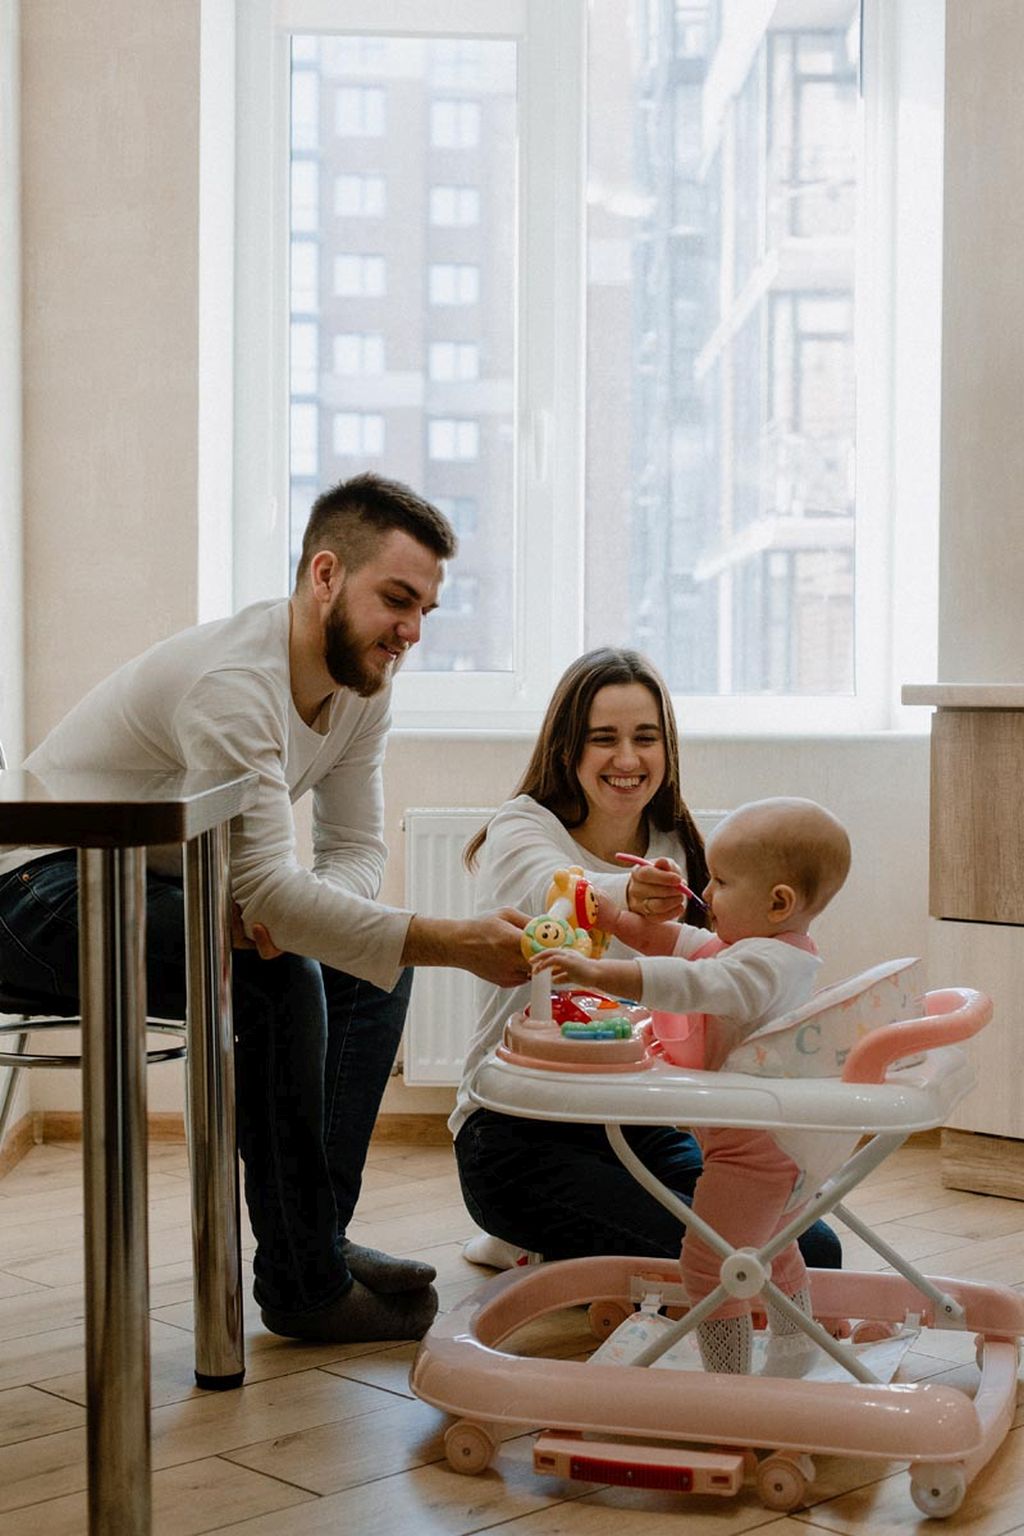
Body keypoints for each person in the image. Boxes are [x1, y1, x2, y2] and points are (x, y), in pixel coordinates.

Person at [0, 472, 528, 1344]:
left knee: (372, 977)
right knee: (281, 976)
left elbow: (354, 852)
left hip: (157, 886)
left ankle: (316, 1245)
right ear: (325, 575)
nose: (413, 631)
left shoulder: (362, 690)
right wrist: (445, 939)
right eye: (397, 599)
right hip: (36, 888)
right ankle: (305, 1285)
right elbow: (271, 895)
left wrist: (287, 917)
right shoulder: (235, 682)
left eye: (427, 609)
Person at [451, 648, 843, 1276]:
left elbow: (703, 973)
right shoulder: (521, 828)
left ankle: (577, 1257)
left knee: (815, 1250)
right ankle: (550, 1243)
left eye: (646, 738)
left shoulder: (677, 847)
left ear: (668, 748)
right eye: (603, 739)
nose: (628, 760)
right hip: (518, 1131)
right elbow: (551, 892)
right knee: (730, 1262)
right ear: (568, 750)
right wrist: (620, 898)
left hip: (640, 1125)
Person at [533, 795, 852, 1376]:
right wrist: (611, 917)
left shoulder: (765, 969)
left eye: (722, 882)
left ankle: (724, 1382)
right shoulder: (757, 949)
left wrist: (593, 970)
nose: (707, 894)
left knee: (712, 1267)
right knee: (776, 1252)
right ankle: (795, 1347)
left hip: (753, 1151)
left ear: (779, 902)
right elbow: (673, 943)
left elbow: (688, 982)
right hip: (768, 1144)